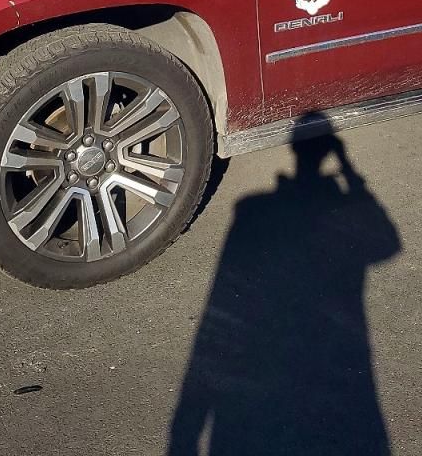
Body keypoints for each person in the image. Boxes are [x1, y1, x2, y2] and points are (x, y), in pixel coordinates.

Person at [167, 118, 401, 455]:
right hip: (333, 377)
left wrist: (184, 435)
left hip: (253, 393)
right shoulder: (264, 210)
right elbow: (387, 244)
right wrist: (350, 172)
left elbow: (217, 311)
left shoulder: (251, 210)